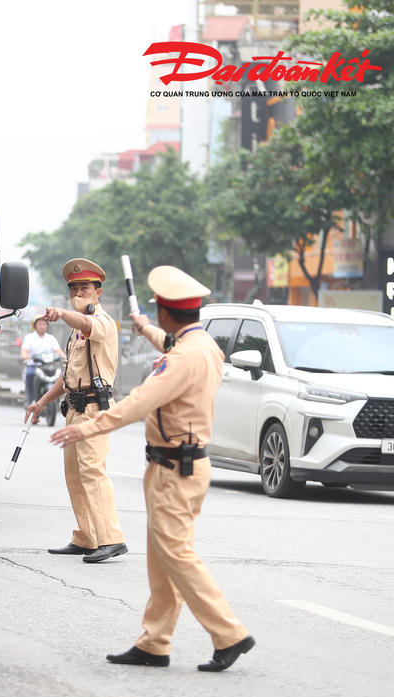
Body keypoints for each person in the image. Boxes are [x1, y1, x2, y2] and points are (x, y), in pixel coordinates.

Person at [50, 265, 255, 672]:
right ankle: (155, 642)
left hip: (173, 469)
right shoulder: (203, 346)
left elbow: (138, 403)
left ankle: (229, 633)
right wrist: (146, 330)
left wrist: (89, 427)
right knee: (161, 559)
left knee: (175, 554)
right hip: (185, 465)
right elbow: (172, 342)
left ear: (165, 310)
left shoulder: (178, 361)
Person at [26, 258, 127, 563]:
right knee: (74, 475)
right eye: (75, 289)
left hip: (95, 410)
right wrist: (41, 403)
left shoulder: (102, 323)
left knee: (93, 472)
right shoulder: (75, 334)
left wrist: (63, 313)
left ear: (98, 293)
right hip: (74, 408)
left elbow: (85, 322)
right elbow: (67, 376)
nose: (80, 293)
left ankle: (112, 538)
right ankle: (86, 537)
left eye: (86, 288)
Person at [20, 315, 65, 403]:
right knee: (29, 374)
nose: (42, 326)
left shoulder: (51, 338)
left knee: (61, 376)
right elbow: (24, 351)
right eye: (40, 324)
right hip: (34, 365)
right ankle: (31, 399)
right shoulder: (29, 337)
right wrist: (25, 357)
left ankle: (59, 398)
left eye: (44, 324)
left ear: (47, 325)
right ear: (35, 325)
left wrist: (65, 358)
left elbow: (58, 351)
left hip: (48, 366)